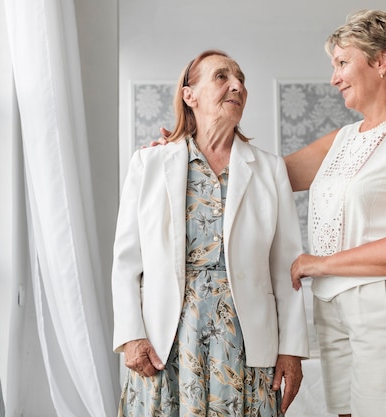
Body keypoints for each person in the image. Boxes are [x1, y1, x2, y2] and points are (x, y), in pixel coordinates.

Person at [111, 49, 309, 417]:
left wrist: (292, 348)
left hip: (245, 344)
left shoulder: (269, 169)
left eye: (241, 80)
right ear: (190, 95)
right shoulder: (149, 163)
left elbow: (288, 268)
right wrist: (130, 336)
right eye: (222, 77)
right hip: (165, 340)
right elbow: (126, 262)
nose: (237, 86)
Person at [286, 9, 386, 417]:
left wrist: (321, 264)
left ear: (381, 60)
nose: (334, 77)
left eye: (343, 62)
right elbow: (268, 176)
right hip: (333, 305)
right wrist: (192, 142)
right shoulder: (341, 139)